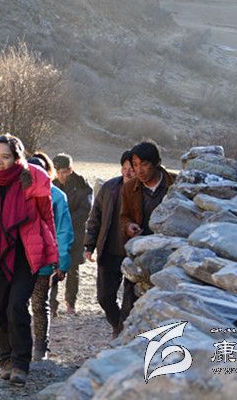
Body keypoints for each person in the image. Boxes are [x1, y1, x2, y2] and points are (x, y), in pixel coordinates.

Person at [0, 134, 58, 387]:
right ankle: (5, 358)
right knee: (1, 306)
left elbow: (47, 217)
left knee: (17, 305)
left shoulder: (33, 179)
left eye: (5, 157)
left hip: (25, 253)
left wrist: (52, 253)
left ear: (17, 158)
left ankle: (21, 363)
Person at [119, 141, 176, 322]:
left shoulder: (175, 184)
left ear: (156, 163)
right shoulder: (129, 188)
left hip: (169, 254)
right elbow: (124, 216)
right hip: (140, 253)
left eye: (143, 164)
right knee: (131, 302)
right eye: (135, 165)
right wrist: (129, 226)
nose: (139, 170)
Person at [83, 150, 136, 337]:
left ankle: (122, 333)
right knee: (104, 297)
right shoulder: (110, 188)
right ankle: (118, 325)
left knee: (130, 301)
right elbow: (95, 217)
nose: (127, 172)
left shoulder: (143, 192)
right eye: (124, 168)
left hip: (132, 255)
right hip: (109, 250)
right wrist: (89, 245)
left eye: (132, 169)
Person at [27, 153, 73, 362]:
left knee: (38, 303)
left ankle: (40, 345)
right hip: (19, 259)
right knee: (17, 303)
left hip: (44, 259)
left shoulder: (56, 196)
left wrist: (62, 262)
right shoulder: (16, 193)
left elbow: (63, 230)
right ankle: (17, 344)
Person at [51, 153, 93, 316]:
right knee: (54, 267)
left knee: (73, 269)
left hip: (75, 232)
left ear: (70, 170)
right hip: (56, 233)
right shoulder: (53, 184)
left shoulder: (82, 185)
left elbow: (85, 210)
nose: (61, 175)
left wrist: (65, 220)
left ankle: (71, 303)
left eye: (64, 172)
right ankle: (52, 304)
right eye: (58, 172)